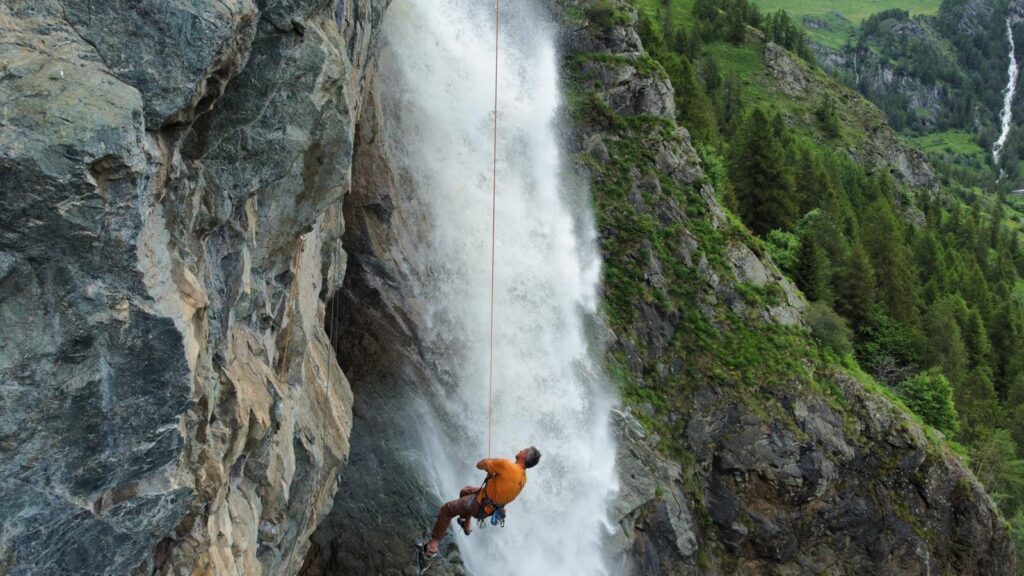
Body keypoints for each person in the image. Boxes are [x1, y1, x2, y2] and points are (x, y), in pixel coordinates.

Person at [423, 446, 541, 557]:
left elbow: (479, 465)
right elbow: (505, 485)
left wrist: (490, 463)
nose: (521, 450)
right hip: (489, 510)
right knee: (465, 491)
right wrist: (493, 473)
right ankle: (466, 523)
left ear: (524, 456)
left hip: (478, 505)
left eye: (524, 450)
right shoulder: (523, 478)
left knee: (446, 510)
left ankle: (433, 545)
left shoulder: (506, 465)